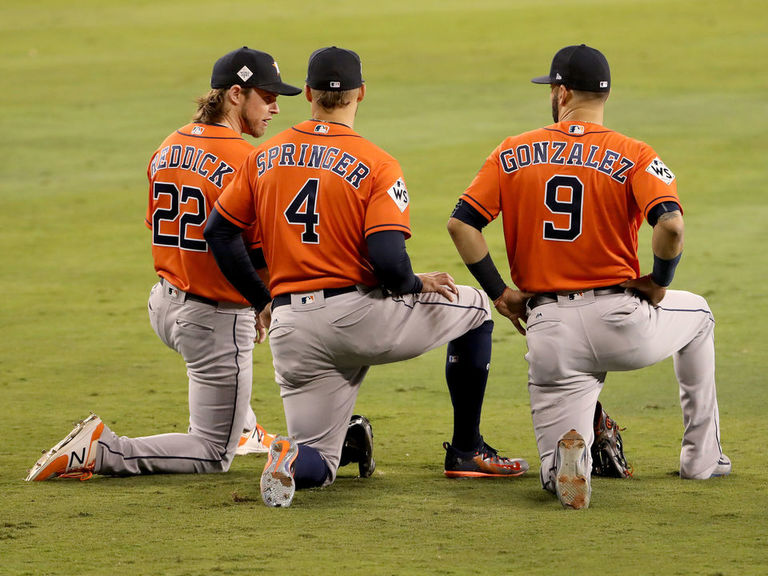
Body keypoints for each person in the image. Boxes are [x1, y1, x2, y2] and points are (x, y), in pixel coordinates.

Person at [204, 46, 529, 507]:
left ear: (309, 93)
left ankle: (289, 459)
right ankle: (466, 450)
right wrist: (416, 283)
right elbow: (389, 262)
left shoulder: (263, 157)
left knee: (320, 460)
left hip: (292, 327)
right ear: (361, 93)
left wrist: (261, 300)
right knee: (475, 310)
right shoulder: (377, 163)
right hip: (357, 318)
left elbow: (219, 233)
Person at [447, 44, 729, 509]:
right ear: (606, 93)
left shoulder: (513, 150)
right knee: (697, 314)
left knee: (555, 462)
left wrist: (502, 294)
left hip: (550, 331)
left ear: (560, 92)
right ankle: (702, 459)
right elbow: (671, 225)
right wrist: (658, 282)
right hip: (621, 321)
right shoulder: (634, 152)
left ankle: (564, 468)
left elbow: (462, 223)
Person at [25, 47, 302, 482]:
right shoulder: (246, 160)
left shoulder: (168, 145)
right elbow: (254, 251)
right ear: (235, 94)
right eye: (266, 97)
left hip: (164, 303)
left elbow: (157, 221)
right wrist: (262, 300)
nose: (275, 107)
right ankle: (104, 450)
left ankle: (244, 425)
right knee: (213, 453)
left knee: (221, 382)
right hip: (212, 318)